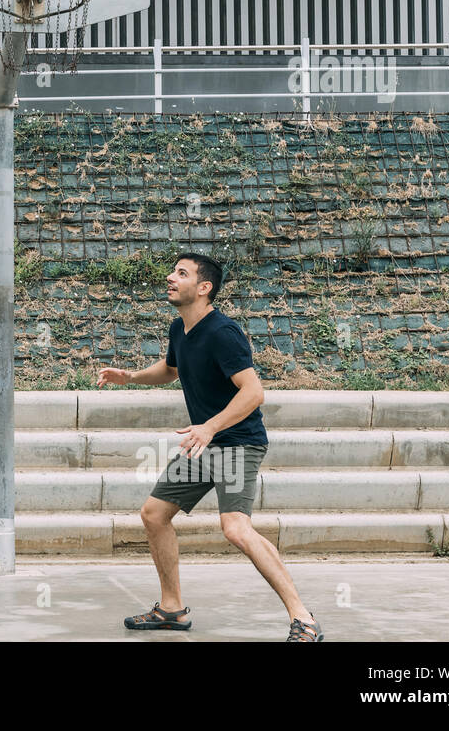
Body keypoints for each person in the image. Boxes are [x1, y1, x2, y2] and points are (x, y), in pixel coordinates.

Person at [96, 251, 324, 642]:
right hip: (204, 443)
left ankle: (303, 617)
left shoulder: (223, 333)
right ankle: (171, 609)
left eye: (181, 273)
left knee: (235, 528)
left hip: (236, 442)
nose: (170, 277)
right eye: (172, 271)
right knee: (154, 514)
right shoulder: (179, 328)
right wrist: (129, 376)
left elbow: (254, 393)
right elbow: (171, 370)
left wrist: (210, 427)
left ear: (204, 288)